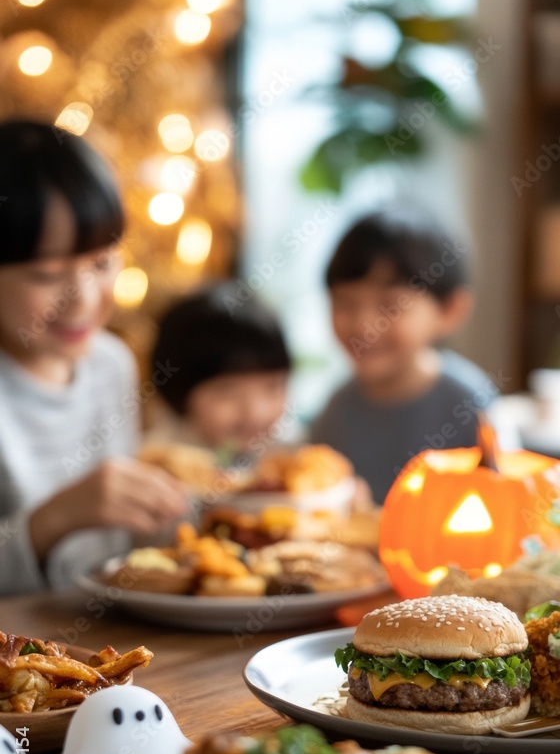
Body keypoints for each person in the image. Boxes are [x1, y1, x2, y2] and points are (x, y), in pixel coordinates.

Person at [0, 119, 186, 595]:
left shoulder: (111, 364)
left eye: (102, 263)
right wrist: (52, 520)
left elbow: (120, 549)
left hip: (111, 646)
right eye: (46, 274)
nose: (82, 298)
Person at [310, 210, 498, 503]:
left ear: (450, 310)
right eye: (345, 303)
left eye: (390, 306)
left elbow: (505, 501)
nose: (364, 325)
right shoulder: (336, 410)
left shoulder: (470, 404)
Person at [147, 286, 294, 460]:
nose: (255, 412)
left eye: (272, 388)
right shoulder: (153, 465)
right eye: (227, 392)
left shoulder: (291, 458)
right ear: (179, 393)